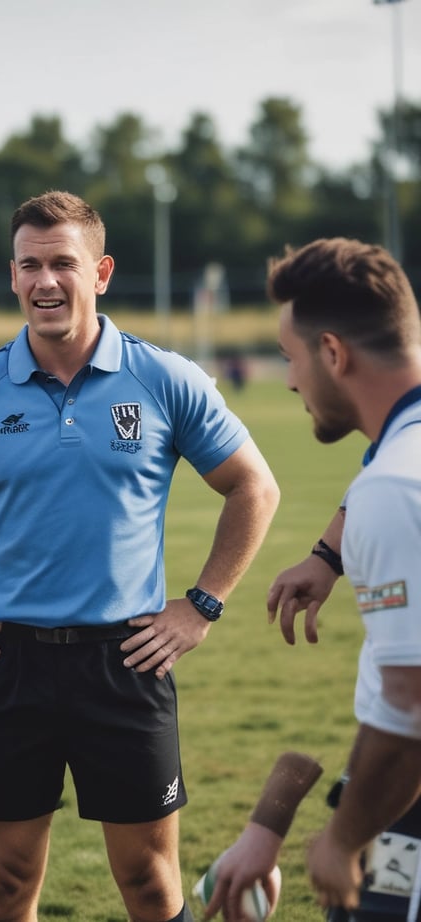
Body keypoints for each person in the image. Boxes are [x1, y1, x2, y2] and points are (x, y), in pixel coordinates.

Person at [0, 190, 280, 922]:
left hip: (124, 662)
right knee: (2, 881)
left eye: (62, 263)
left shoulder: (163, 379)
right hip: (4, 663)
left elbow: (254, 487)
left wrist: (202, 605)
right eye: (29, 265)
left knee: (151, 884)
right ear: (12, 277)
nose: (45, 282)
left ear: (99, 272)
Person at [204, 237, 421, 922]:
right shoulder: (396, 463)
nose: (291, 380)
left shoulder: (395, 488)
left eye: (292, 359)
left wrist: (342, 840)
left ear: (333, 353)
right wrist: (328, 556)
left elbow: (411, 703)